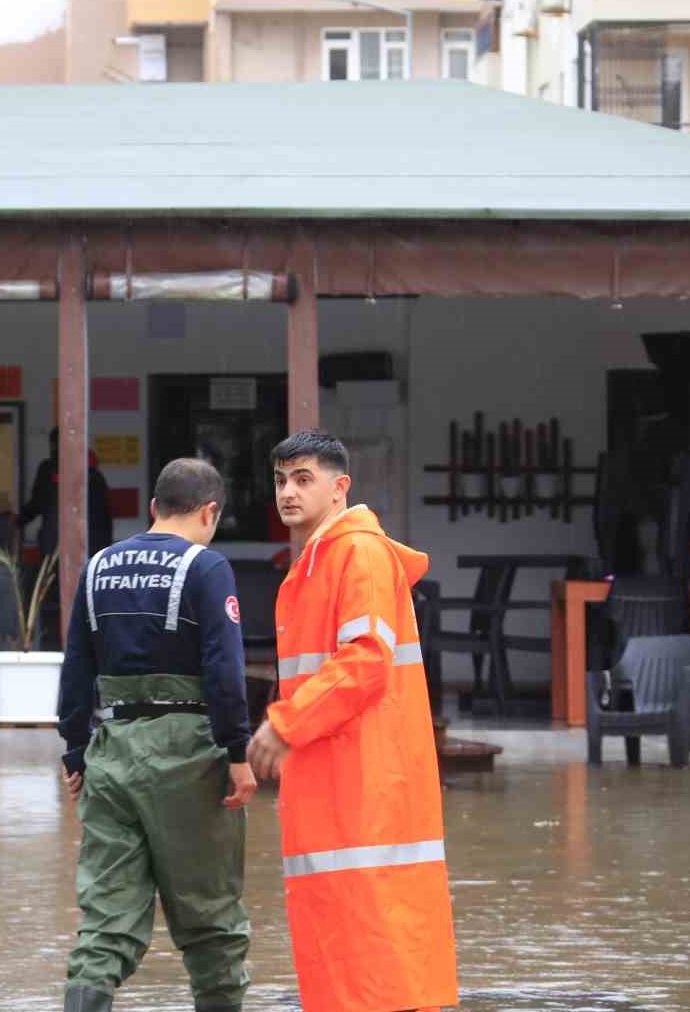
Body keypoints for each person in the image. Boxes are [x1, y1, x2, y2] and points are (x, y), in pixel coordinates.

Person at [246, 431, 457, 1012]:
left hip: (363, 787)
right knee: (363, 957)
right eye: (281, 480)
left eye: (303, 479)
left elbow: (365, 661)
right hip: (344, 786)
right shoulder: (323, 559)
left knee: (372, 962)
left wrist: (284, 724)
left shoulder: (355, 555)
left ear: (339, 489)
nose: (288, 492)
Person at [57, 457, 256, 1012]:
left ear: (154, 508)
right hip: (188, 754)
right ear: (210, 511)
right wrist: (238, 752)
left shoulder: (98, 567)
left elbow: (76, 667)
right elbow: (225, 671)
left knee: (105, 921)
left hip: (112, 750)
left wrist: (75, 750)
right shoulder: (208, 567)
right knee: (212, 919)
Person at [19, 427, 114, 643]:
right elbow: (107, 521)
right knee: (89, 606)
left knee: (53, 606)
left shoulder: (49, 470)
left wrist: (17, 520)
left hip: (55, 556)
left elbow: (37, 503)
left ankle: (54, 648)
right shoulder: (95, 474)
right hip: (93, 557)